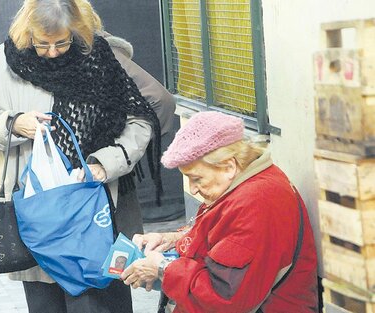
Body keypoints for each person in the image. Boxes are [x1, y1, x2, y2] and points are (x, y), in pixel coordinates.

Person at [0, 0, 175, 312]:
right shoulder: (0, 63)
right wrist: (13, 123)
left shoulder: (100, 58)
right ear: (26, 32)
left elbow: (145, 115)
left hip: (95, 211)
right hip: (36, 214)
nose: (52, 51)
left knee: (99, 299)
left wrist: (107, 161)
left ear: (77, 30)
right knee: (45, 302)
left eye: (61, 42)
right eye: (42, 43)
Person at [121, 111, 318, 312]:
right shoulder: (243, 184)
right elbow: (222, 236)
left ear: (228, 166)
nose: (193, 189)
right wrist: (172, 239)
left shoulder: (256, 202)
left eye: (197, 178)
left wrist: (163, 268)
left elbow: (223, 297)